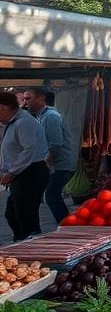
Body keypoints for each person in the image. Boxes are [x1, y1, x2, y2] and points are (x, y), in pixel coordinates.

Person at [0, 91, 50, 241]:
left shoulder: (24, 122)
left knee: (25, 214)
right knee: (13, 213)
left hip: (30, 172)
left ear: (3, 108)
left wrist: (12, 172)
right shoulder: (13, 123)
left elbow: (29, 149)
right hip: (22, 173)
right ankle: (21, 241)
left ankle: (30, 245)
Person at [22, 87, 75, 224]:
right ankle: (66, 225)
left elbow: (55, 144)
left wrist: (45, 163)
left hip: (60, 164)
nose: (25, 102)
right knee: (51, 196)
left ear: (41, 99)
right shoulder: (41, 116)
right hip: (54, 164)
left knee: (52, 196)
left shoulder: (50, 116)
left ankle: (67, 226)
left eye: (29, 98)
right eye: (24, 98)